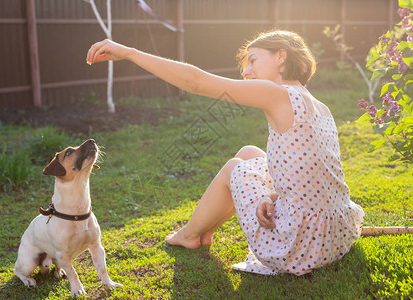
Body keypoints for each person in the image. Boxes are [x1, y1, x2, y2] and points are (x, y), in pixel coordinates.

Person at [86, 30, 365, 276]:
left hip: (299, 247)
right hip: (336, 236)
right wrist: (271, 195)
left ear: (281, 56)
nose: (245, 71)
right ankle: (202, 231)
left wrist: (128, 52)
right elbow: (310, 174)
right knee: (248, 153)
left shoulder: (277, 93)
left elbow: (194, 82)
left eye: (253, 60)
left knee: (235, 167)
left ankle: (190, 234)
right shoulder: (320, 106)